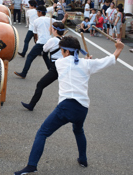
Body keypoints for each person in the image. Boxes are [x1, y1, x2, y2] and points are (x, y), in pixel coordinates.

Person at [14, 36, 124, 175]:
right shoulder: (87, 64)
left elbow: (72, 64)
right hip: (82, 108)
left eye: (62, 50)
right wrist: (118, 49)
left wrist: (86, 62)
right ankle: (83, 159)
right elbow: (110, 60)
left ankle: (31, 165)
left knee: (42, 133)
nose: (61, 53)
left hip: (66, 106)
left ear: (66, 52)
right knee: (78, 130)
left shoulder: (60, 63)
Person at [21, 22, 65, 111]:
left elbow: (44, 50)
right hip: (64, 66)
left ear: (55, 30)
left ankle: (31, 105)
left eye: (52, 28)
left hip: (56, 67)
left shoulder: (52, 40)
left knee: (40, 85)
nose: (51, 29)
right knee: (66, 88)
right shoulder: (65, 39)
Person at [14, 5, 67, 79]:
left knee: (30, 57)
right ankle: (51, 71)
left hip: (41, 42)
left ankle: (24, 73)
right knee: (45, 56)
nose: (37, 13)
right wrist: (65, 17)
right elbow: (61, 23)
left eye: (37, 12)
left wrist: (36, 40)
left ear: (40, 12)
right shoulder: (50, 19)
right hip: (49, 41)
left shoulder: (36, 21)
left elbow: (35, 33)